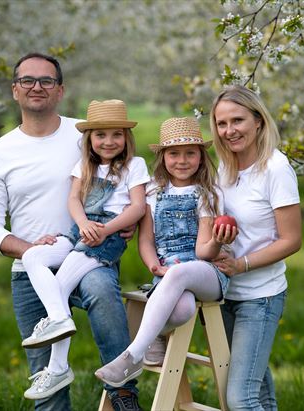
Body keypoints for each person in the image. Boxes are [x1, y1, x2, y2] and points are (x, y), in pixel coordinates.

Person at [0, 53, 142, 410]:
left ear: (60, 90)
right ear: (15, 90)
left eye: (46, 80)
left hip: (89, 254)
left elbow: (129, 180)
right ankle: (56, 373)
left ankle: (124, 392)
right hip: (31, 269)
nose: (37, 87)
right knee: (46, 385)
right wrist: (28, 249)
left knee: (102, 293)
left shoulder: (88, 134)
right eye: (27, 80)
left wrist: (127, 222)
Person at [19, 99, 149, 399]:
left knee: (61, 284)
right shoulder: (84, 166)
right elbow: (74, 200)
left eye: (116, 135)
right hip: (80, 229)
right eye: (100, 135)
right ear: (89, 138)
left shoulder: (134, 165)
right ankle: (58, 320)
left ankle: (57, 367)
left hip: (108, 234)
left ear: (126, 137)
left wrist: (107, 229)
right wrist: (82, 223)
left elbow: (137, 207)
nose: (108, 141)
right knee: (33, 256)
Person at [94, 117, 230, 388]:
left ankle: (132, 355)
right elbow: (146, 240)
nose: (182, 160)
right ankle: (155, 335)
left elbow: (204, 252)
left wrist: (217, 241)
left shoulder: (208, 193)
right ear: (163, 157)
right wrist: (153, 266)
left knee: (181, 273)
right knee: (182, 309)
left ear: (201, 157)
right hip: (167, 271)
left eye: (190, 153)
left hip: (206, 272)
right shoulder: (154, 192)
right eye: (174, 154)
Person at [209, 85, 302, 410]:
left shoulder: (275, 168)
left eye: (238, 120)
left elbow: (292, 240)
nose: (229, 130)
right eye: (222, 123)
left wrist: (242, 264)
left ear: (258, 120)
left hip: (259, 297)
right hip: (224, 294)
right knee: (257, 393)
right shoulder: (224, 167)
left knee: (240, 399)